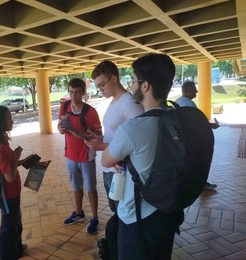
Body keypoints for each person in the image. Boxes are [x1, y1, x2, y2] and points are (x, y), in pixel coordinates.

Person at [101, 53, 184, 259]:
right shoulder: (179, 119)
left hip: (137, 217)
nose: (131, 85)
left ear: (145, 85)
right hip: (169, 210)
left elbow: (106, 160)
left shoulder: (132, 129)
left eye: (134, 80)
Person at [87, 60, 144, 213]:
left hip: (122, 172)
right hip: (110, 169)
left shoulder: (130, 103)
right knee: (116, 211)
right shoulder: (114, 101)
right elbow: (117, 135)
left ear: (114, 79)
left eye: (102, 84)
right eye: (97, 86)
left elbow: (138, 143)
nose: (100, 89)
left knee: (124, 214)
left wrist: (102, 146)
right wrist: (101, 139)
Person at [57, 78, 102, 234]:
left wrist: (81, 134)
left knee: (90, 188)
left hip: (86, 156)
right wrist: (61, 129)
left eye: (76, 92)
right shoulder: (64, 106)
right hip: (70, 154)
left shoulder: (90, 112)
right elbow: (60, 124)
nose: (73, 96)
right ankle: (79, 213)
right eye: (70, 92)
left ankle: (95, 217)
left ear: (83, 92)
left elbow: (98, 135)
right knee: (75, 186)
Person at [0, 106, 27, 259]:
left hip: (12, 192)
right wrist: (16, 158)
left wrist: (22, 160)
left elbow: (8, 167)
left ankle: (17, 249)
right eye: (8, 118)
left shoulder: (0, 142)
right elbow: (9, 176)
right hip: (7, 194)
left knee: (16, 222)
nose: (12, 121)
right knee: (8, 228)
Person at [175, 81, 218, 190]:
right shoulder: (189, 104)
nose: (197, 91)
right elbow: (196, 122)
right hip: (193, 140)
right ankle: (201, 183)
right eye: (194, 89)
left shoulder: (178, 101)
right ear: (188, 90)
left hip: (183, 140)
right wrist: (211, 125)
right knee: (201, 162)